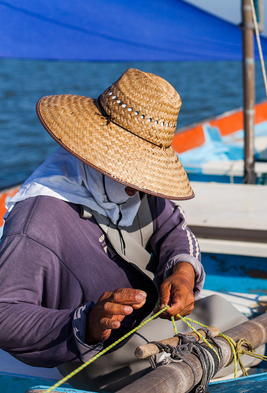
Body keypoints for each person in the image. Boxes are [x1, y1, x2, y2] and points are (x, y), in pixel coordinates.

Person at [0, 69, 254, 392]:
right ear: (95, 153)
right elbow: (5, 314)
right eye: (132, 174)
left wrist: (184, 274)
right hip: (99, 357)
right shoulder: (38, 220)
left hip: (152, 324)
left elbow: (174, 228)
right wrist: (87, 323)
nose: (139, 189)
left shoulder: (134, 186)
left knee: (232, 325)